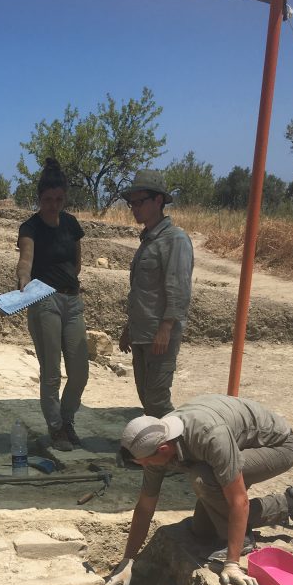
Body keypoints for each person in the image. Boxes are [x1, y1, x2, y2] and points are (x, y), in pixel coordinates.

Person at [104, 396, 293, 585]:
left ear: (163, 449)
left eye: (148, 463)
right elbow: (145, 506)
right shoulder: (154, 442)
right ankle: (290, 503)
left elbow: (238, 500)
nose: (147, 467)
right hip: (235, 444)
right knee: (202, 530)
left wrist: (232, 563)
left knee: (203, 479)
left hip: (276, 447)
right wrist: (128, 559)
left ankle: (262, 525)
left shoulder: (208, 436)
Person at [16, 158, 88, 451]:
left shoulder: (71, 224)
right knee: (52, 371)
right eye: (48, 200)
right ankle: (56, 428)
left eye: (59, 199)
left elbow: (77, 262)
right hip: (44, 300)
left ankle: (67, 419)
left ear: (65, 198)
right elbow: (25, 263)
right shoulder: (30, 227)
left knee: (80, 370)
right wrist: (24, 284)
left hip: (72, 300)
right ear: (39, 199)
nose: (53, 205)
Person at [118, 170, 193, 417]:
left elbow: (179, 290)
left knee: (158, 400)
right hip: (142, 333)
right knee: (147, 399)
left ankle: (181, 450)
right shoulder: (148, 241)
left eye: (140, 202)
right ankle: (159, 452)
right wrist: (130, 327)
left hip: (159, 336)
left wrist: (166, 329)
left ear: (158, 201)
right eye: (132, 203)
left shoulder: (175, 240)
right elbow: (142, 291)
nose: (134, 208)